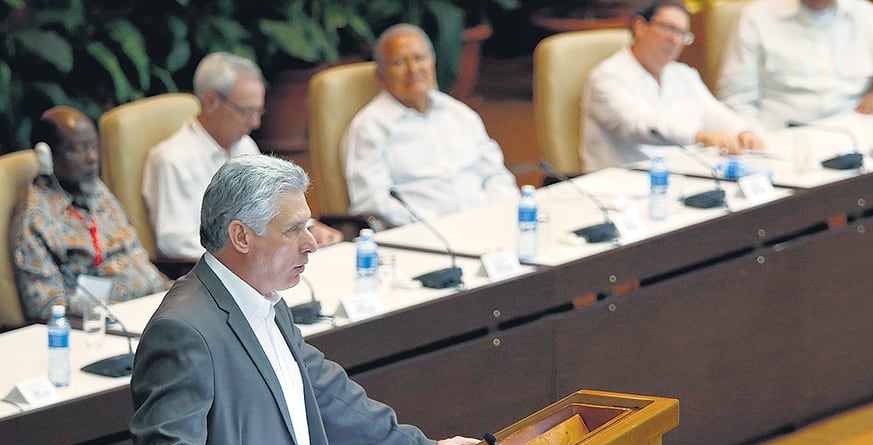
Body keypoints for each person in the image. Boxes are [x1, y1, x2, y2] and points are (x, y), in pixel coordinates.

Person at [129, 154, 479, 445]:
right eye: (294, 229)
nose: (311, 243)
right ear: (241, 236)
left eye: (308, 227)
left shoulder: (264, 301)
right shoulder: (184, 330)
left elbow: (326, 392)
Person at [143, 52, 342, 260]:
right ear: (211, 101)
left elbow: (272, 204)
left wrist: (306, 228)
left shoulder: (243, 145)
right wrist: (251, 249)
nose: (255, 123)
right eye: (247, 112)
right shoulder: (172, 159)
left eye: (259, 111)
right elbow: (175, 242)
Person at [343, 23, 518, 227]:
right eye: (399, 62)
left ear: (432, 62)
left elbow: (497, 176)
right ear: (380, 74)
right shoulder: (369, 128)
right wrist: (433, 225)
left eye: (420, 58)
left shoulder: (459, 114)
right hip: (425, 236)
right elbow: (372, 201)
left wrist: (493, 213)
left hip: (487, 223)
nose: (413, 69)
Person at [9, 106, 169, 323]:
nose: (92, 157)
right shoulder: (35, 218)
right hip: (108, 323)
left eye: (94, 146)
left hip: (155, 303)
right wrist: (108, 312)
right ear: (47, 156)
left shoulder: (95, 189)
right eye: (78, 149)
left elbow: (132, 250)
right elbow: (46, 306)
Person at [580, 0, 764, 173]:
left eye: (682, 34)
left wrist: (742, 132)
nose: (676, 41)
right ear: (640, 26)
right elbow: (636, 125)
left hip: (683, 174)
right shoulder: (607, 76)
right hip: (621, 183)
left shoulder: (683, 74)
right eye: (669, 29)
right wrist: (700, 137)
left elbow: (714, 112)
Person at [716, 0, 873, 131]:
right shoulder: (756, 18)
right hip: (783, 145)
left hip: (855, 139)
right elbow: (737, 101)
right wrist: (760, 144)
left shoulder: (866, 14)